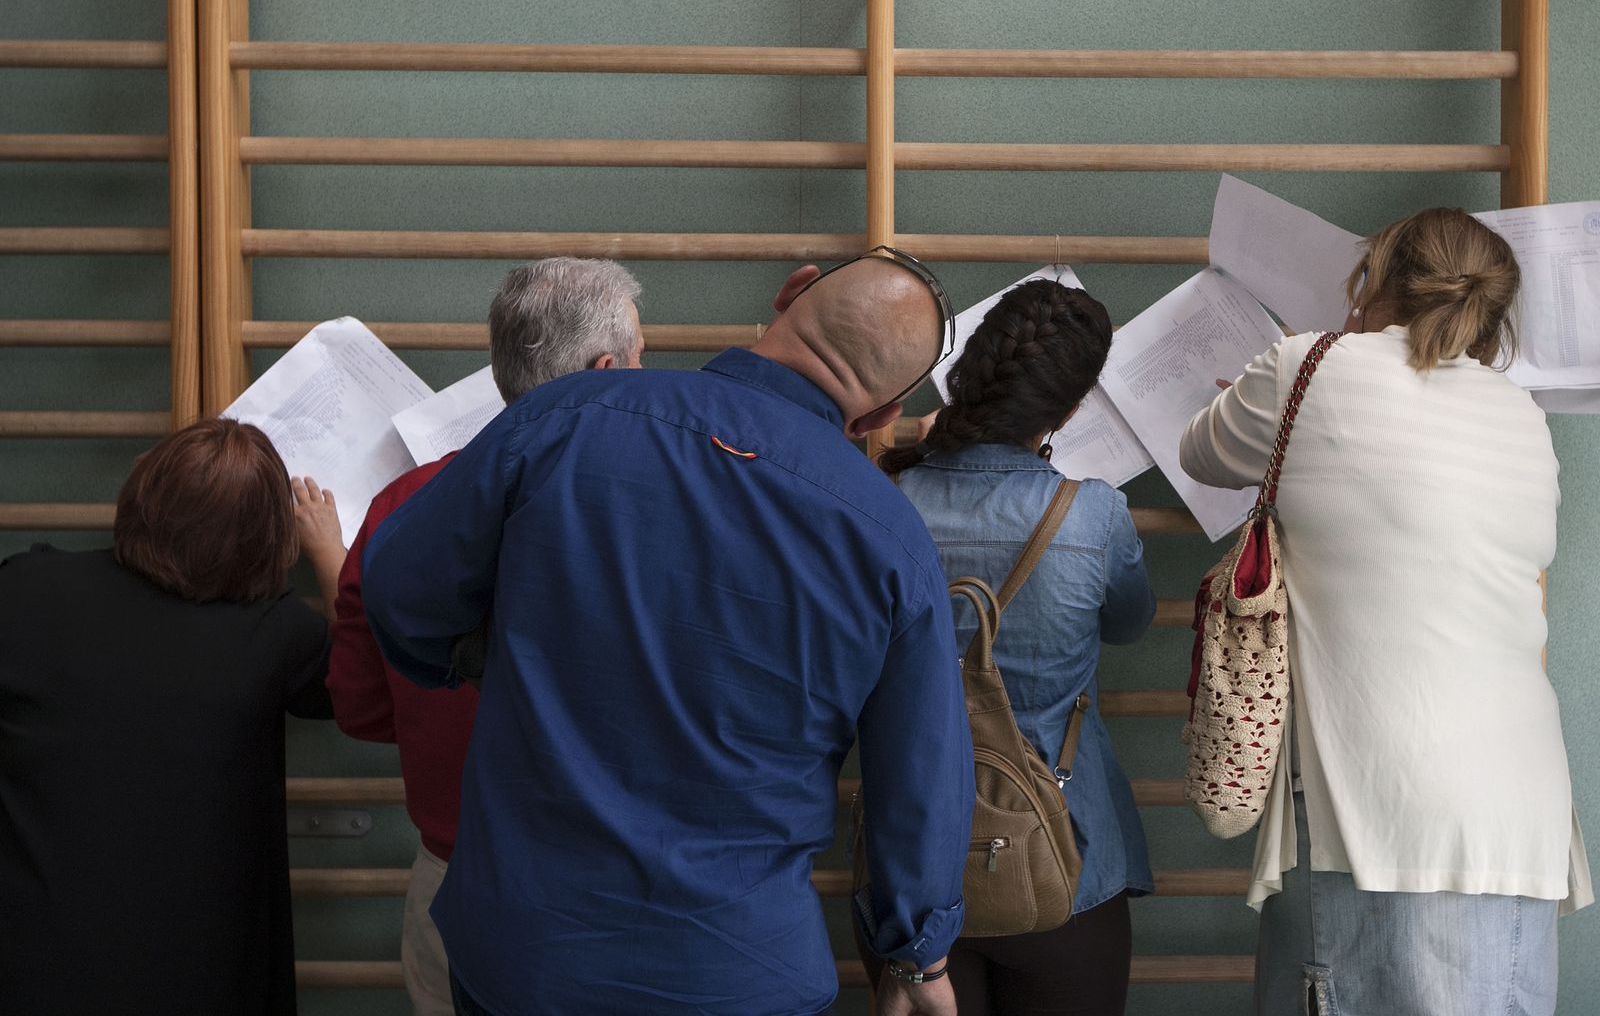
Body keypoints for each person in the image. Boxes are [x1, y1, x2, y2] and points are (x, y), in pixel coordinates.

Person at [360, 248, 977, 1016]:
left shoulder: (566, 417)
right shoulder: (893, 539)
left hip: (525, 958)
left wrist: (483, 658)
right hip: (739, 973)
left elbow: (397, 592)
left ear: (792, 292)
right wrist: (917, 957)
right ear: (884, 413)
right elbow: (920, 783)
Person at [1179, 207, 1594, 1016]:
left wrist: (1294, 371)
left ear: (1371, 279)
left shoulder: (1305, 366)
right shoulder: (1521, 415)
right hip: (1522, 817)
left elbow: (1202, 451)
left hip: (1376, 807)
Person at [325, 256, 646, 1016]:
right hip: (623, 890)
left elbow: (364, 711)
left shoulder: (402, 504)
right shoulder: (666, 513)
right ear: (607, 370)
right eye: (641, 357)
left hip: (454, 876)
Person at [868, 278, 1158, 1016]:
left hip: (911, 861)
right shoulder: (1093, 516)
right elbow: (1129, 622)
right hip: (1065, 852)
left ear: (967, 375)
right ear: (1069, 407)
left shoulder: (881, 500)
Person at [0, 417, 345, 1016]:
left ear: (141, 495)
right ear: (267, 540)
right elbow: (364, 685)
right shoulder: (276, 632)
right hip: (205, 977)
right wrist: (326, 551)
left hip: (32, 961)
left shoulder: (24, 587)